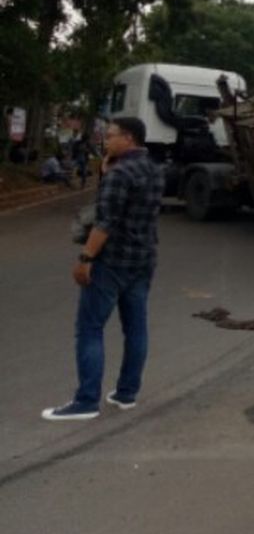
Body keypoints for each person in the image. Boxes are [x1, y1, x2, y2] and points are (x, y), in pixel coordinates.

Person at [42, 117, 165, 421]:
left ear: (128, 138)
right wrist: (104, 173)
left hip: (111, 262)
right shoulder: (154, 169)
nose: (105, 141)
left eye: (110, 136)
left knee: (90, 329)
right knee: (135, 327)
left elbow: (105, 221)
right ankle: (127, 393)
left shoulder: (120, 173)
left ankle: (86, 401)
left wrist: (85, 259)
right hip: (143, 258)